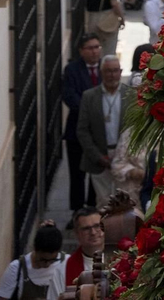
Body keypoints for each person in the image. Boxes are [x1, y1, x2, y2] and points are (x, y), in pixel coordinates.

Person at [78, 56, 131, 204]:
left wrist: (125, 155)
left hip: (126, 159)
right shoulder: (89, 97)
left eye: (115, 71)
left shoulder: (131, 95)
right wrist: (98, 156)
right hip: (100, 159)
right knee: (103, 204)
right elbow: (82, 130)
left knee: (126, 204)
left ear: (120, 72)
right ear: (102, 72)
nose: (112, 75)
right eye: (108, 71)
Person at [62, 33, 103, 210]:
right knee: (77, 174)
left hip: (100, 133)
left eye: (97, 47)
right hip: (77, 131)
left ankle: (94, 207)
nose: (94, 51)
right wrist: (92, 113)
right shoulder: (72, 70)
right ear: (81, 51)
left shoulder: (106, 68)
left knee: (98, 172)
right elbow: (70, 97)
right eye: (90, 48)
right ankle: (78, 211)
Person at [0, 221, 66, 300]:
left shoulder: (66, 263)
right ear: (35, 249)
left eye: (53, 260)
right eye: (43, 260)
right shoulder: (16, 269)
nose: (47, 264)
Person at [63, 207, 107, 291]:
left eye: (97, 226)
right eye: (86, 229)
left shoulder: (121, 260)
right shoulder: (63, 268)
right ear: (76, 233)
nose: (93, 232)